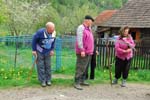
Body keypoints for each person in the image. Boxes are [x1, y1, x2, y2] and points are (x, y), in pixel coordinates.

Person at [32, 22, 56, 87]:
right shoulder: (40, 32)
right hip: (40, 50)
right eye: (51, 29)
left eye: (53, 29)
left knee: (48, 66)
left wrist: (52, 50)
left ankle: (48, 80)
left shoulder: (54, 33)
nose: (53, 30)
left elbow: (53, 41)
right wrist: (34, 50)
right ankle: (42, 81)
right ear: (47, 28)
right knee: (41, 66)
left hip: (48, 51)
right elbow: (34, 40)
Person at [74, 15, 94, 90]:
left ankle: (82, 80)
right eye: (91, 21)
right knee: (80, 67)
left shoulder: (89, 29)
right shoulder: (81, 28)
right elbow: (79, 40)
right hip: (83, 52)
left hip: (89, 52)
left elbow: (90, 40)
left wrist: (93, 50)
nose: (91, 23)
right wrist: (82, 50)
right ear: (87, 20)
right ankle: (77, 82)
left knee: (85, 68)